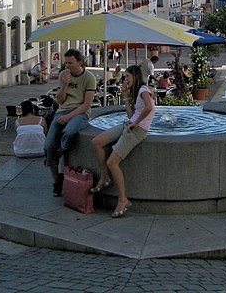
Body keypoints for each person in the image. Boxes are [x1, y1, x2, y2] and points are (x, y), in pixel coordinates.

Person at [90, 65, 154, 218]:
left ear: (135, 77)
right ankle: (104, 177)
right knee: (96, 142)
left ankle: (123, 200)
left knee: (112, 162)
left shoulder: (144, 90)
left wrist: (136, 123)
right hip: (129, 125)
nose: (126, 80)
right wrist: (125, 96)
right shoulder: (137, 92)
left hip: (137, 130)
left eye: (127, 77)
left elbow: (150, 107)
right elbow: (131, 113)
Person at [43, 49, 96, 197]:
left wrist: (68, 117)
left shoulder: (89, 77)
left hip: (80, 112)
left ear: (80, 62)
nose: (68, 66)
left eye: (71, 63)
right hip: (62, 110)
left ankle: (61, 151)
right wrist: (65, 85)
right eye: (66, 63)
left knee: (69, 131)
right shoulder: (63, 75)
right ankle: (56, 181)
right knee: (48, 146)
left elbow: (86, 105)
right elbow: (59, 100)